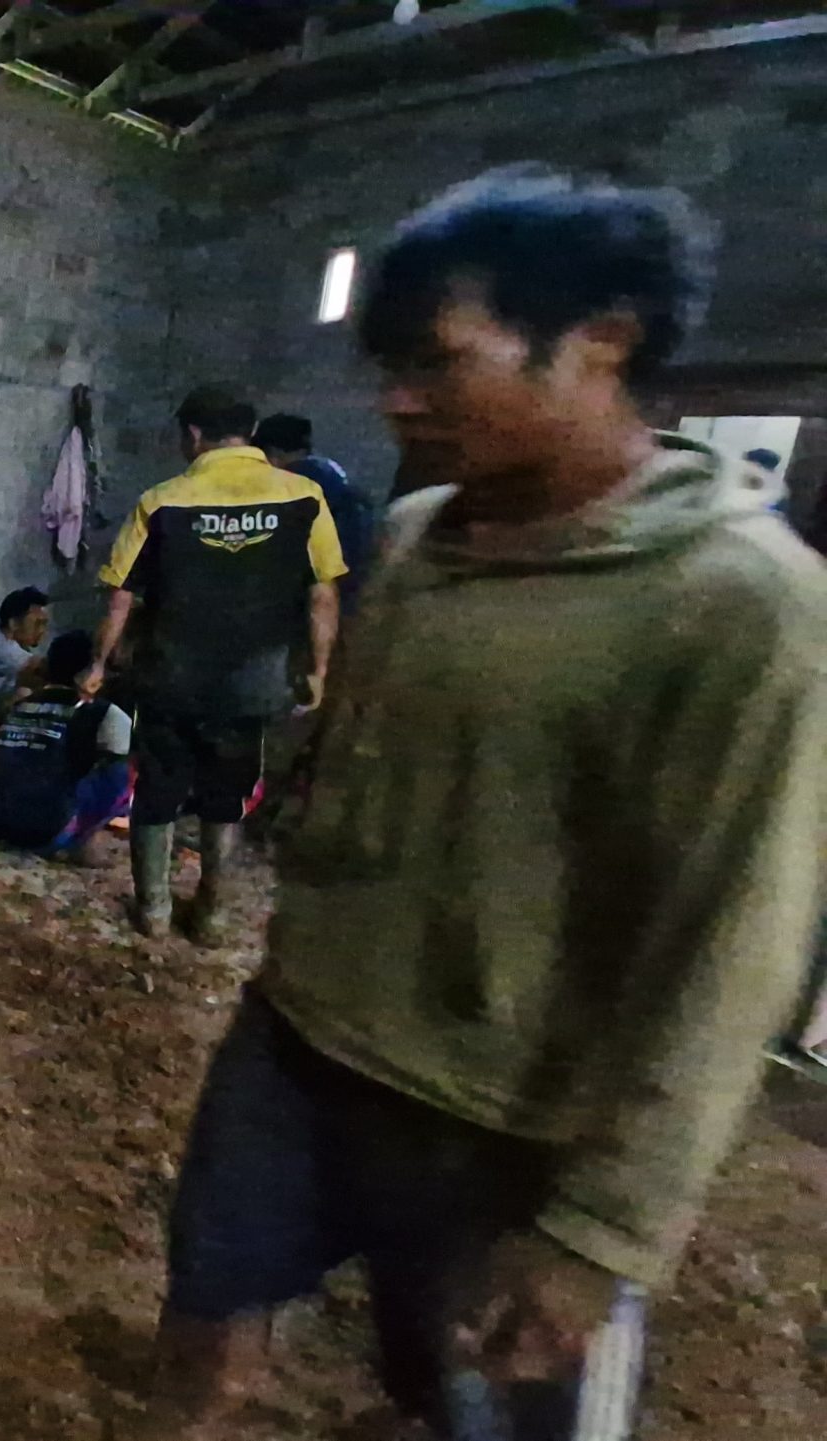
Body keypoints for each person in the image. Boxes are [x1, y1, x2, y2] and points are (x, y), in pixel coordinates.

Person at [156, 168, 827, 1440]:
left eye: (438, 362)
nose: (397, 400)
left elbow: (733, 944)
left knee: (481, 1408)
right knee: (202, 1331)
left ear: (600, 344)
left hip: (506, 1129)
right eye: (387, 364)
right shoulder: (413, 536)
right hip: (297, 1047)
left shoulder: (741, 605)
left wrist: (601, 1230)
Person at [82, 386, 345, 943]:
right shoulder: (303, 497)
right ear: (248, 434)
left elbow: (122, 595)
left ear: (193, 435)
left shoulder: (163, 500)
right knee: (228, 791)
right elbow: (323, 594)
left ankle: (153, 911)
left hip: (171, 677)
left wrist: (99, 662)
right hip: (253, 683)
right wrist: (319, 670)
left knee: (157, 788)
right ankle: (212, 914)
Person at [0, 630, 132, 859]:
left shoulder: (22, 704)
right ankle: (79, 840)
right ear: (87, 673)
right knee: (124, 769)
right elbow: (132, 749)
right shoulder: (100, 712)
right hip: (45, 831)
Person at [254, 413, 377, 613]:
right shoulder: (337, 478)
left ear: (272, 455)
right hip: (352, 593)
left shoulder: (290, 489)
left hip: (313, 603)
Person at [0, 585, 51, 716]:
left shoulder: (18, 645)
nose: (42, 630)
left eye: (44, 624)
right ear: (13, 624)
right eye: (37, 623)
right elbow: (38, 668)